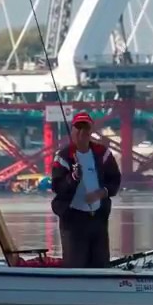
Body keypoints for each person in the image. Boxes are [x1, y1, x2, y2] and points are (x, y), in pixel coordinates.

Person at [50, 111, 122, 268]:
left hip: (98, 219)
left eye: (86, 128)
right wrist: (73, 178)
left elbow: (115, 180)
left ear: (91, 131)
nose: (82, 132)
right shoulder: (63, 156)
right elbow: (57, 187)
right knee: (75, 265)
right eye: (78, 128)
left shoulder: (103, 153)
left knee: (101, 265)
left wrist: (102, 192)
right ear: (73, 130)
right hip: (73, 220)